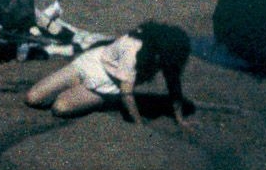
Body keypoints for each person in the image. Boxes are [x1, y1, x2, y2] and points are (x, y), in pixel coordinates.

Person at [25, 22, 193, 129]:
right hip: (90, 64)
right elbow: (127, 95)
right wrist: (139, 125)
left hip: (107, 85)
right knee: (32, 98)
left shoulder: (164, 56)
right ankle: (81, 92)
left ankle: (95, 98)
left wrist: (180, 119)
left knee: (60, 108)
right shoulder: (133, 48)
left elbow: (173, 85)